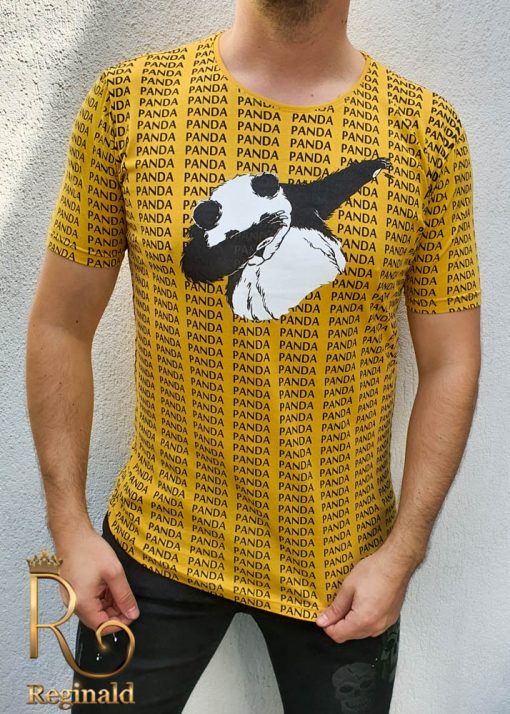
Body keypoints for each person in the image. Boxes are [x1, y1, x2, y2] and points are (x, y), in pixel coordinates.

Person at [26, 0, 482, 711]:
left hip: (344, 568)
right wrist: (69, 528)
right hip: (154, 549)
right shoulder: (128, 102)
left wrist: (403, 552)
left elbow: (452, 361)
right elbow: (60, 324)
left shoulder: (426, 132)